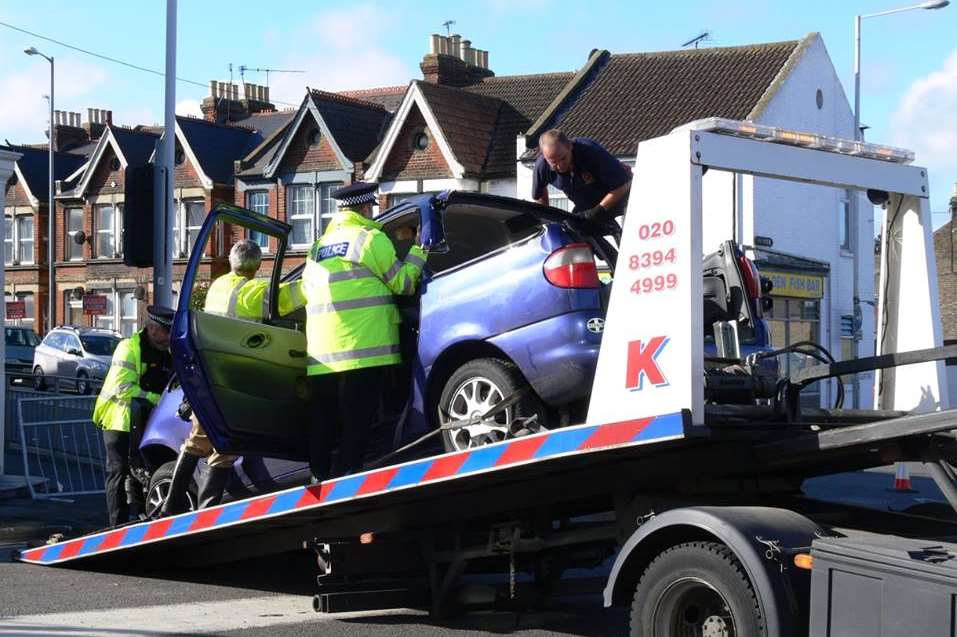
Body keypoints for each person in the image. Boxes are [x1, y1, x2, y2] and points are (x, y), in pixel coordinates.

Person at [301, 182, 427, 483]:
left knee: (325, 421)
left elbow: (307, 290)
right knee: (358, 422)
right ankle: (346, 482)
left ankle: (318, 479)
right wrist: (420, 252)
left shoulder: (318, 247)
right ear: (366, 208)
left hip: (322, 354)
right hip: (363, 351)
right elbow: (404, 284)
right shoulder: (370, 239)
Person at [161, 240, 297, 516]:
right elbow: (294, 297)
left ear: (231, 262)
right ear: (258, 266)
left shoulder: (217, 285)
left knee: (198, 440)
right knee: (227, 445)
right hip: (237, 379)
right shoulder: (256, 290)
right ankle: (206, 510)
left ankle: (171, 505)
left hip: (209, 374)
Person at [93, 305, 174, 527]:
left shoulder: (167, 351)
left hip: (145, 419)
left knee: (142, 470)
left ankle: (140, 519)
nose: (169, 337)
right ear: (153, 329)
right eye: (167, 332)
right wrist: (158, 399)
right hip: (118, 417)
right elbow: (123, 387)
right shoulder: (129, 348)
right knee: (118, 471)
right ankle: (116, 525)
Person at [532, 129, 633, 238]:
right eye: (554, 163)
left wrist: (598, 210)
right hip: (587, 203)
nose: (560, 166)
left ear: (570, 146)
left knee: (629, 233)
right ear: (545, 157)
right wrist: (548, 220)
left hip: (622, 195)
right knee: (573, 229)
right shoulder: (541, 167)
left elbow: (625, 184)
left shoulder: (590, 151)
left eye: (563, 158)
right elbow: (539, 193)